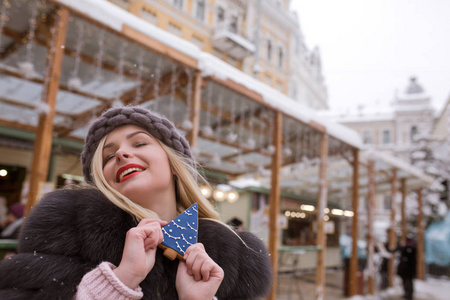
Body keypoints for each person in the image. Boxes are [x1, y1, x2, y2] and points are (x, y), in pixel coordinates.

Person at [0, 106, 272, 299]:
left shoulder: (233, 253)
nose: (121, 153)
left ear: (175, 165)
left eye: (140, 143)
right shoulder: (66, 228)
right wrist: (119, 282)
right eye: (108, 156)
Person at [397, 235, 417, 300]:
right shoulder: (405, 248)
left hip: (409, 270)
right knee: (405, 282)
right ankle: (406, 293)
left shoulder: (412, 249)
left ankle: (409, 294)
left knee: (409, 282)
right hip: (405, 270)